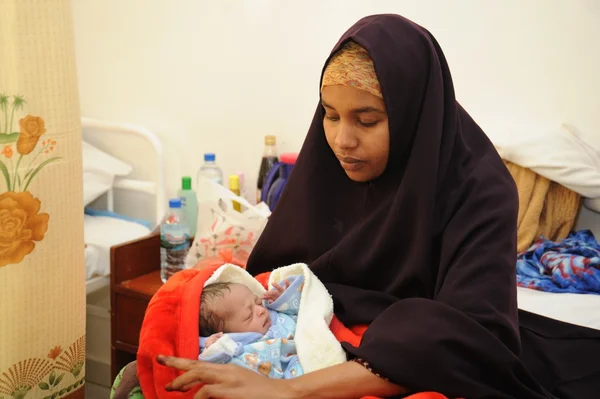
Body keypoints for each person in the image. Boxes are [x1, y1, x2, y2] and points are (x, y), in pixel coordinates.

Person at [156, 13, 600, 399]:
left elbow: (473, 336)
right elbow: (278, 273)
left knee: (414, 318)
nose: (342, 141)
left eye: (367, 120)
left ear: (412, 117)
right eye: (330, 115)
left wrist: (287, 389)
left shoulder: (480, 190)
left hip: (423, 344)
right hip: (343, 337)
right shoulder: (325, 171)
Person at [197, 278, 304, 379]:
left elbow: (304, 307)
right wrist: (216, 350)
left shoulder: (273, 313)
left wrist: (283, 299)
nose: (261, 310)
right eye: (249, 316)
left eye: (257, 302)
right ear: (232, 335)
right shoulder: (240, 352)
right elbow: (229, 374)